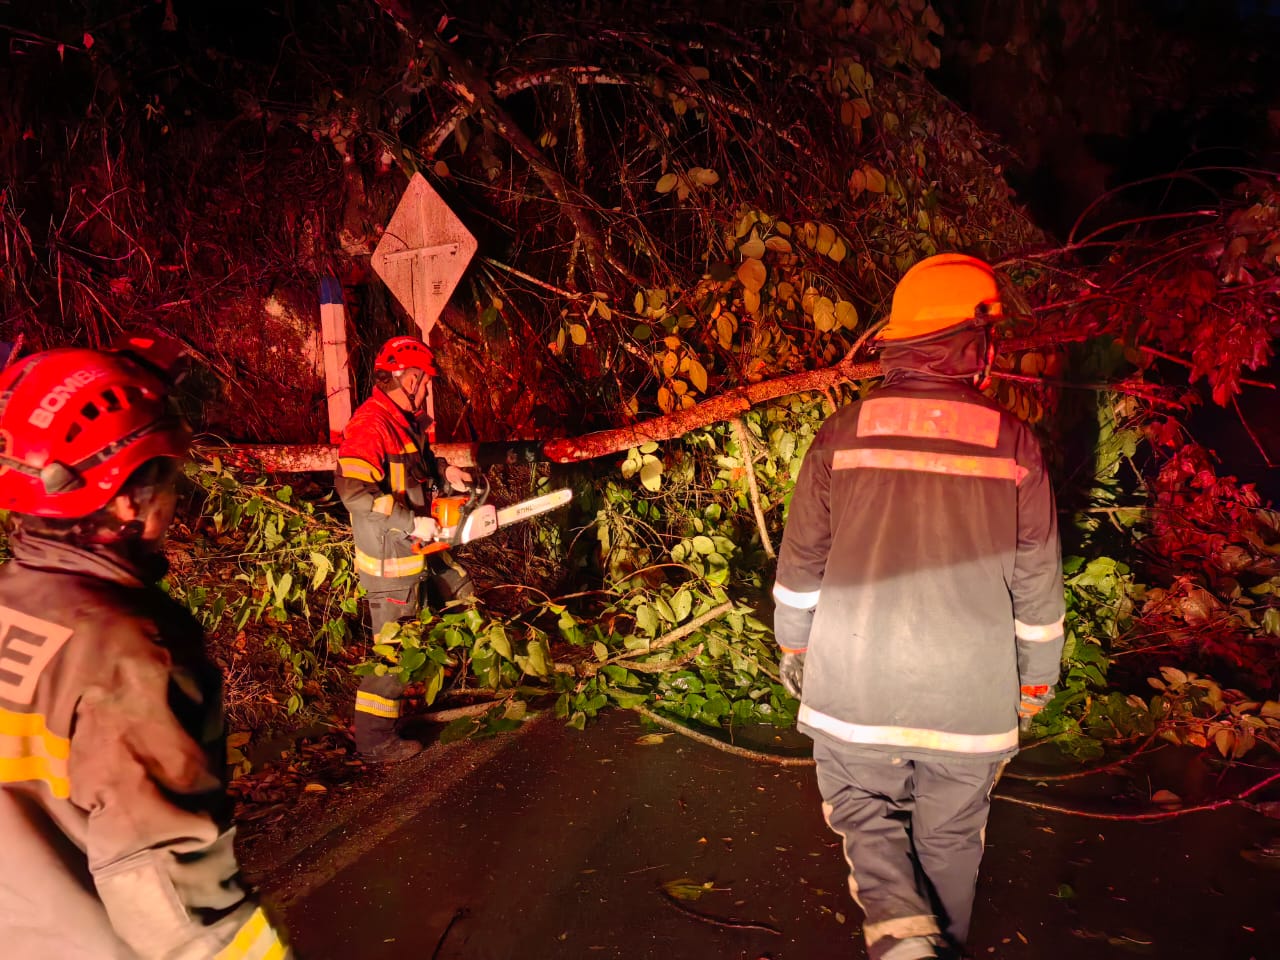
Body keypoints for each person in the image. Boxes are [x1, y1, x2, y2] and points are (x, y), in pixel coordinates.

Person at [771, 254, 1065, 960]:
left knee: (860, 809)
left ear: (904, 340)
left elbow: (802, 561)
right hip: (970, 696)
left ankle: (902, 936)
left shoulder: (841, 433)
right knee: (953, 840)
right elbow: (1037, 581)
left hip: (855, 685)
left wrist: (795, 645)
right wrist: (1035, 680)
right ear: (974, 342)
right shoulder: (1014, 442)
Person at [0, 340, 291, 958]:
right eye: (169, 478)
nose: (174, 498)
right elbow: (167, 896)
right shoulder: (133, 652)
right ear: (127, 498)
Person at [335, 334, 471, 762]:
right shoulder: (370, 425)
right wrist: (411, 520)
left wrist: (447, 470)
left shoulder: (403, 422)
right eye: (425, 380)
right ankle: (374, 740)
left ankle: (455, 682)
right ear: (408, 378)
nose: (427, 388)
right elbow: (353, 491)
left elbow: (421, 465)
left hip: (421, 546)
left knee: (462, 593)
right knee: (393, 651)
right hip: (393, 556)